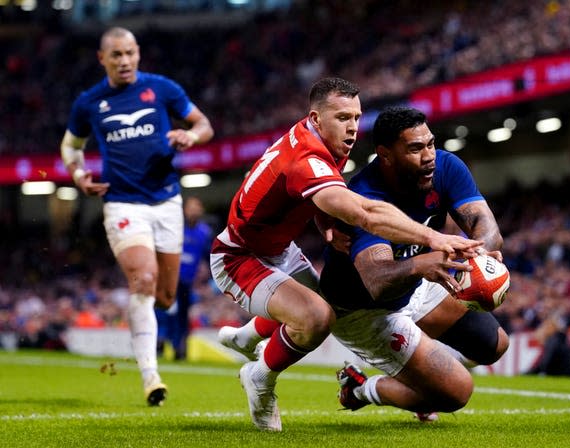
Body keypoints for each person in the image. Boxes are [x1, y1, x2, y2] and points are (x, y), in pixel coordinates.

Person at [210, 78, 482, 431]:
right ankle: (259, 377)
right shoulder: (306, 158)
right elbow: (365, 213)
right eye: (343, 117)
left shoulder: (324, 138)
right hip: (239, 257)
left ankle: (247, 336)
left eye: (356, 116)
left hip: (280, 249)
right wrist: (433, 237)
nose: (353, 127)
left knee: (326, 310)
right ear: (316, 118)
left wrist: (325, 225)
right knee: (317, 318)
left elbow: (312, 194)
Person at [319, 106, 510, 419]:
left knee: (494, 345)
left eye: (431, 143)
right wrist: (424, 264)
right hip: (365, 311)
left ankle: (422, 377)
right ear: (386, 155)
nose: (429, 156)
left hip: (416, 284)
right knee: (456, 393)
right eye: (415, 148)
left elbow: (487, 227)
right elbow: (378, 282)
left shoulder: (445, 166)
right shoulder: (364, 198)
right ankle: (360, 389)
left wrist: (478, 253)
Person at [60, 27, 214, 406]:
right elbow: (70, 145)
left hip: (166, 203)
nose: (124, 61)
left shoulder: (162, 89)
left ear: (138, 53)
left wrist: (190, 138)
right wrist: (78, 174)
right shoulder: (89, 103)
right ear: (103, 59)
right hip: (122, 203)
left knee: (164, 296)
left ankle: (149, 338)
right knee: (143, 280)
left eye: (129, 53)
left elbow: (203, 124)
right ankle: (151, 377)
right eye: (116, 55)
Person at [156, 196, 213, 360]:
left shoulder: (204, 232)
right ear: (184, 210)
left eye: (197, 208)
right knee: (164, 311)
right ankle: (159, 342)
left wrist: (208, 276)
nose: (194, 211)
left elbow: (209, 255)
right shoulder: (175, 228)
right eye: (191, 208)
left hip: (187, 282)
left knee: (182, 315)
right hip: (169, 278)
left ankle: (179, 348)